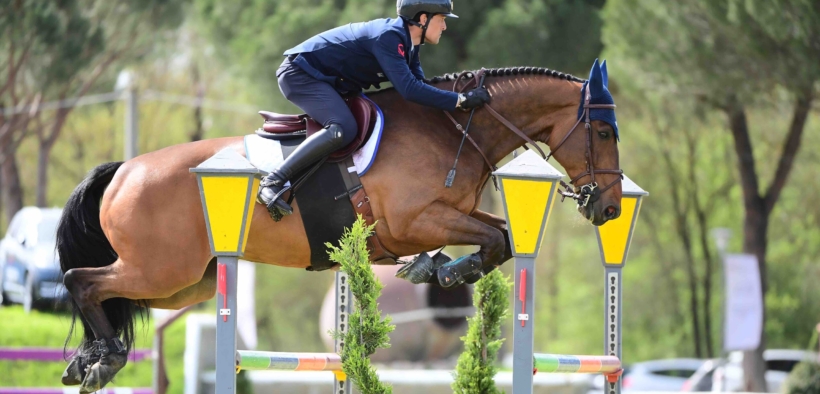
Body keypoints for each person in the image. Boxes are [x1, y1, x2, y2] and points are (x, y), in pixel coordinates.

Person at [257, 0, 492, 218]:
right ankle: (272, 182)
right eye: (442, 18)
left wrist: (462, 101)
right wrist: (460, 100)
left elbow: (421, 87)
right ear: (423, 19)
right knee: (343, 129)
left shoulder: (409, 45)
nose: (445, 26)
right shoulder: (389, 38)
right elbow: (409, 90)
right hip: (300, 74)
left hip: (330, 81)